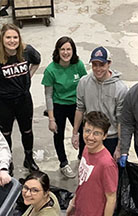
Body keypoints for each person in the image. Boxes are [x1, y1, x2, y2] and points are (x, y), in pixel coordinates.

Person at [0, 23, 41, 172]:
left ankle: (29, 159)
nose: (12, 41)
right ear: (2, 39)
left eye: (15, 37)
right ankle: (7, 160)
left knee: (27, 131)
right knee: (5, 133)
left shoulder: (27, 51)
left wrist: (28, 76)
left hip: (23, 99)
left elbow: (37, 61)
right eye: (8, 37)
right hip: (4, 101)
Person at [41, 36, 88, 179]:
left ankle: (82, 156)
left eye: (69, 49)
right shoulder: (51, 70)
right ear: (57, 51)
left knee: (83, 132)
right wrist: (51, 118)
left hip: (76, 106)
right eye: (63, 49)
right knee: (58, 134)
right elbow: (48, 95)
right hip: (59, 105)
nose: (66, 52)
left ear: (73, 51)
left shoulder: (78, 65)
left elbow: (85, 85)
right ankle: (63, 163)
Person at [71, 47, 128, 158]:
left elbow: (121, 120)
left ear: (109, 63)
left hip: (110, 138)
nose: (97, 69)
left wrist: (120, 147)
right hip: (89, 136)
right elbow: (80, 109)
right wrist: (75, 134)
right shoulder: (84, 82)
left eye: (101, 65)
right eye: (94, 64)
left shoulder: (120, 89)